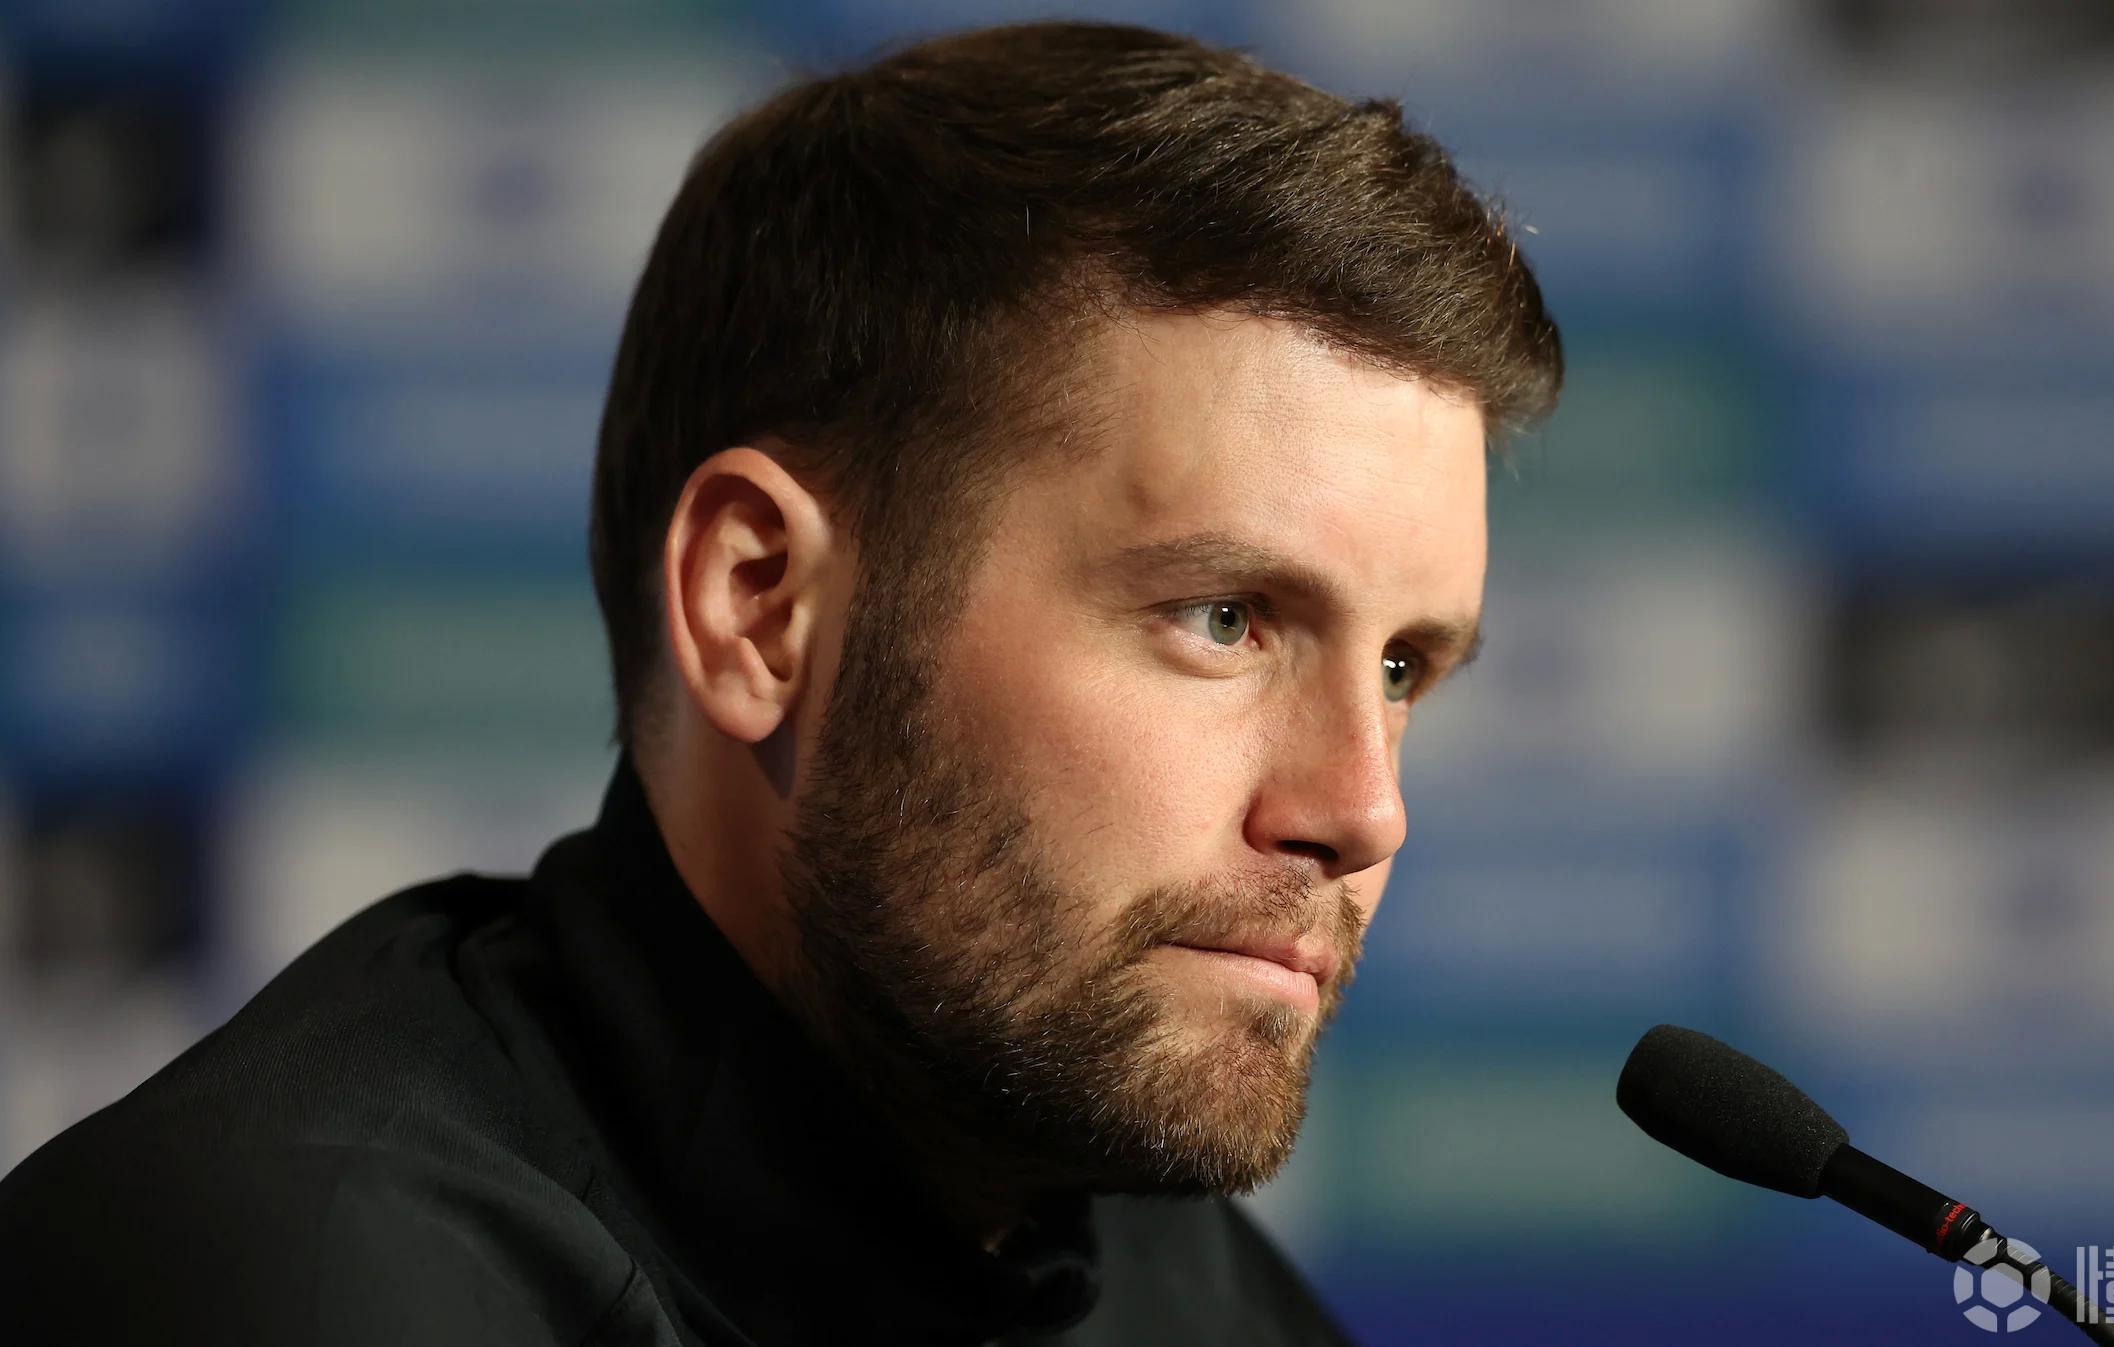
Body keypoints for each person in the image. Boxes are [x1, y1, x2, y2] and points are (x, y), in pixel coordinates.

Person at [0, 20, 1559, 1345]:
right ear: (759, 608)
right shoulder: (298, 1281)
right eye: (1225, 618)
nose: (1363, 810)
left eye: (1405, 666)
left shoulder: (1183, 1291)